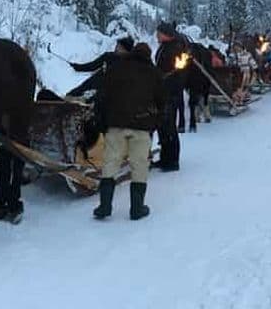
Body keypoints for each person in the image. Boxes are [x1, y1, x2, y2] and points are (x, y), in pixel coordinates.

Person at [93, 42, 165, 220]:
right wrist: (155, 122)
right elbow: (162, 102)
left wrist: (102, 123)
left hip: (116, 125)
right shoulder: (154, 73)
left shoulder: (115, 68)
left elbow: (101, 97)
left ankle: (104, 206)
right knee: (139, 165)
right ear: (148, 56)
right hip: (141, 127)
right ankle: (137, 209)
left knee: (110, 163)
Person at [153, 22, 185, 170]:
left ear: (166, 34)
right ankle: (165, 158)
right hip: (162, 90)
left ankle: (173, 161)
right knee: (162, 125)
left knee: (169, 125)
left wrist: (165, 79)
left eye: (159, 33)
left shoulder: (175, 48)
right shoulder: (165, 47)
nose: (156, 35)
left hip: (170, 92)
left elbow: (177, 71)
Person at [66, 36, 134, 98]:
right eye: (117, 46)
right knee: (73, 94)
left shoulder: (130, 63)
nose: (116, 48)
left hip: (111, 92)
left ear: (126, 50)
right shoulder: (108, 56)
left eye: (120, 47)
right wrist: (77, 67)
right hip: (95, 82)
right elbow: (92, 65)